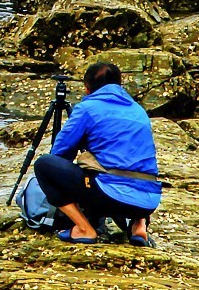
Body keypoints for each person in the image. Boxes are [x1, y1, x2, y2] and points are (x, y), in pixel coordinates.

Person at [33, 62, 161, 246]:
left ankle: (84, 228)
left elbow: (59, 155)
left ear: (87, 89)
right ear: (120, 85)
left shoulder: (88, 108)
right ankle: (139, 225)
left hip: (112, 195)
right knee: (129, 169)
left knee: (44, 165)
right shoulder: (138, 110)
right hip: (149, 201)